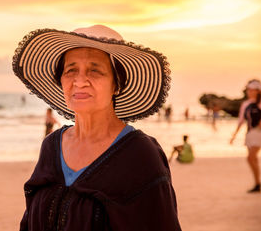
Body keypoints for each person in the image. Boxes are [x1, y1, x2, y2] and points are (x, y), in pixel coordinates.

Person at [13, 25, 181, 230]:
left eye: (95, 70)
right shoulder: (51, 146)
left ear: (117, 84)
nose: (80, 81)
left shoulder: (140, 154)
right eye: (71, 70)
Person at [230, 79, 261, 193]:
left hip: (259, 133)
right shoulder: (246, 104)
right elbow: (241, 121)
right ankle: (257, 183)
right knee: (253, 159)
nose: (248, 92)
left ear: (257, 91)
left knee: (251, 157)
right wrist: (234, 135)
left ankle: (258, 183)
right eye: (248, 90)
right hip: (249, 134)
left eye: (251, 90)